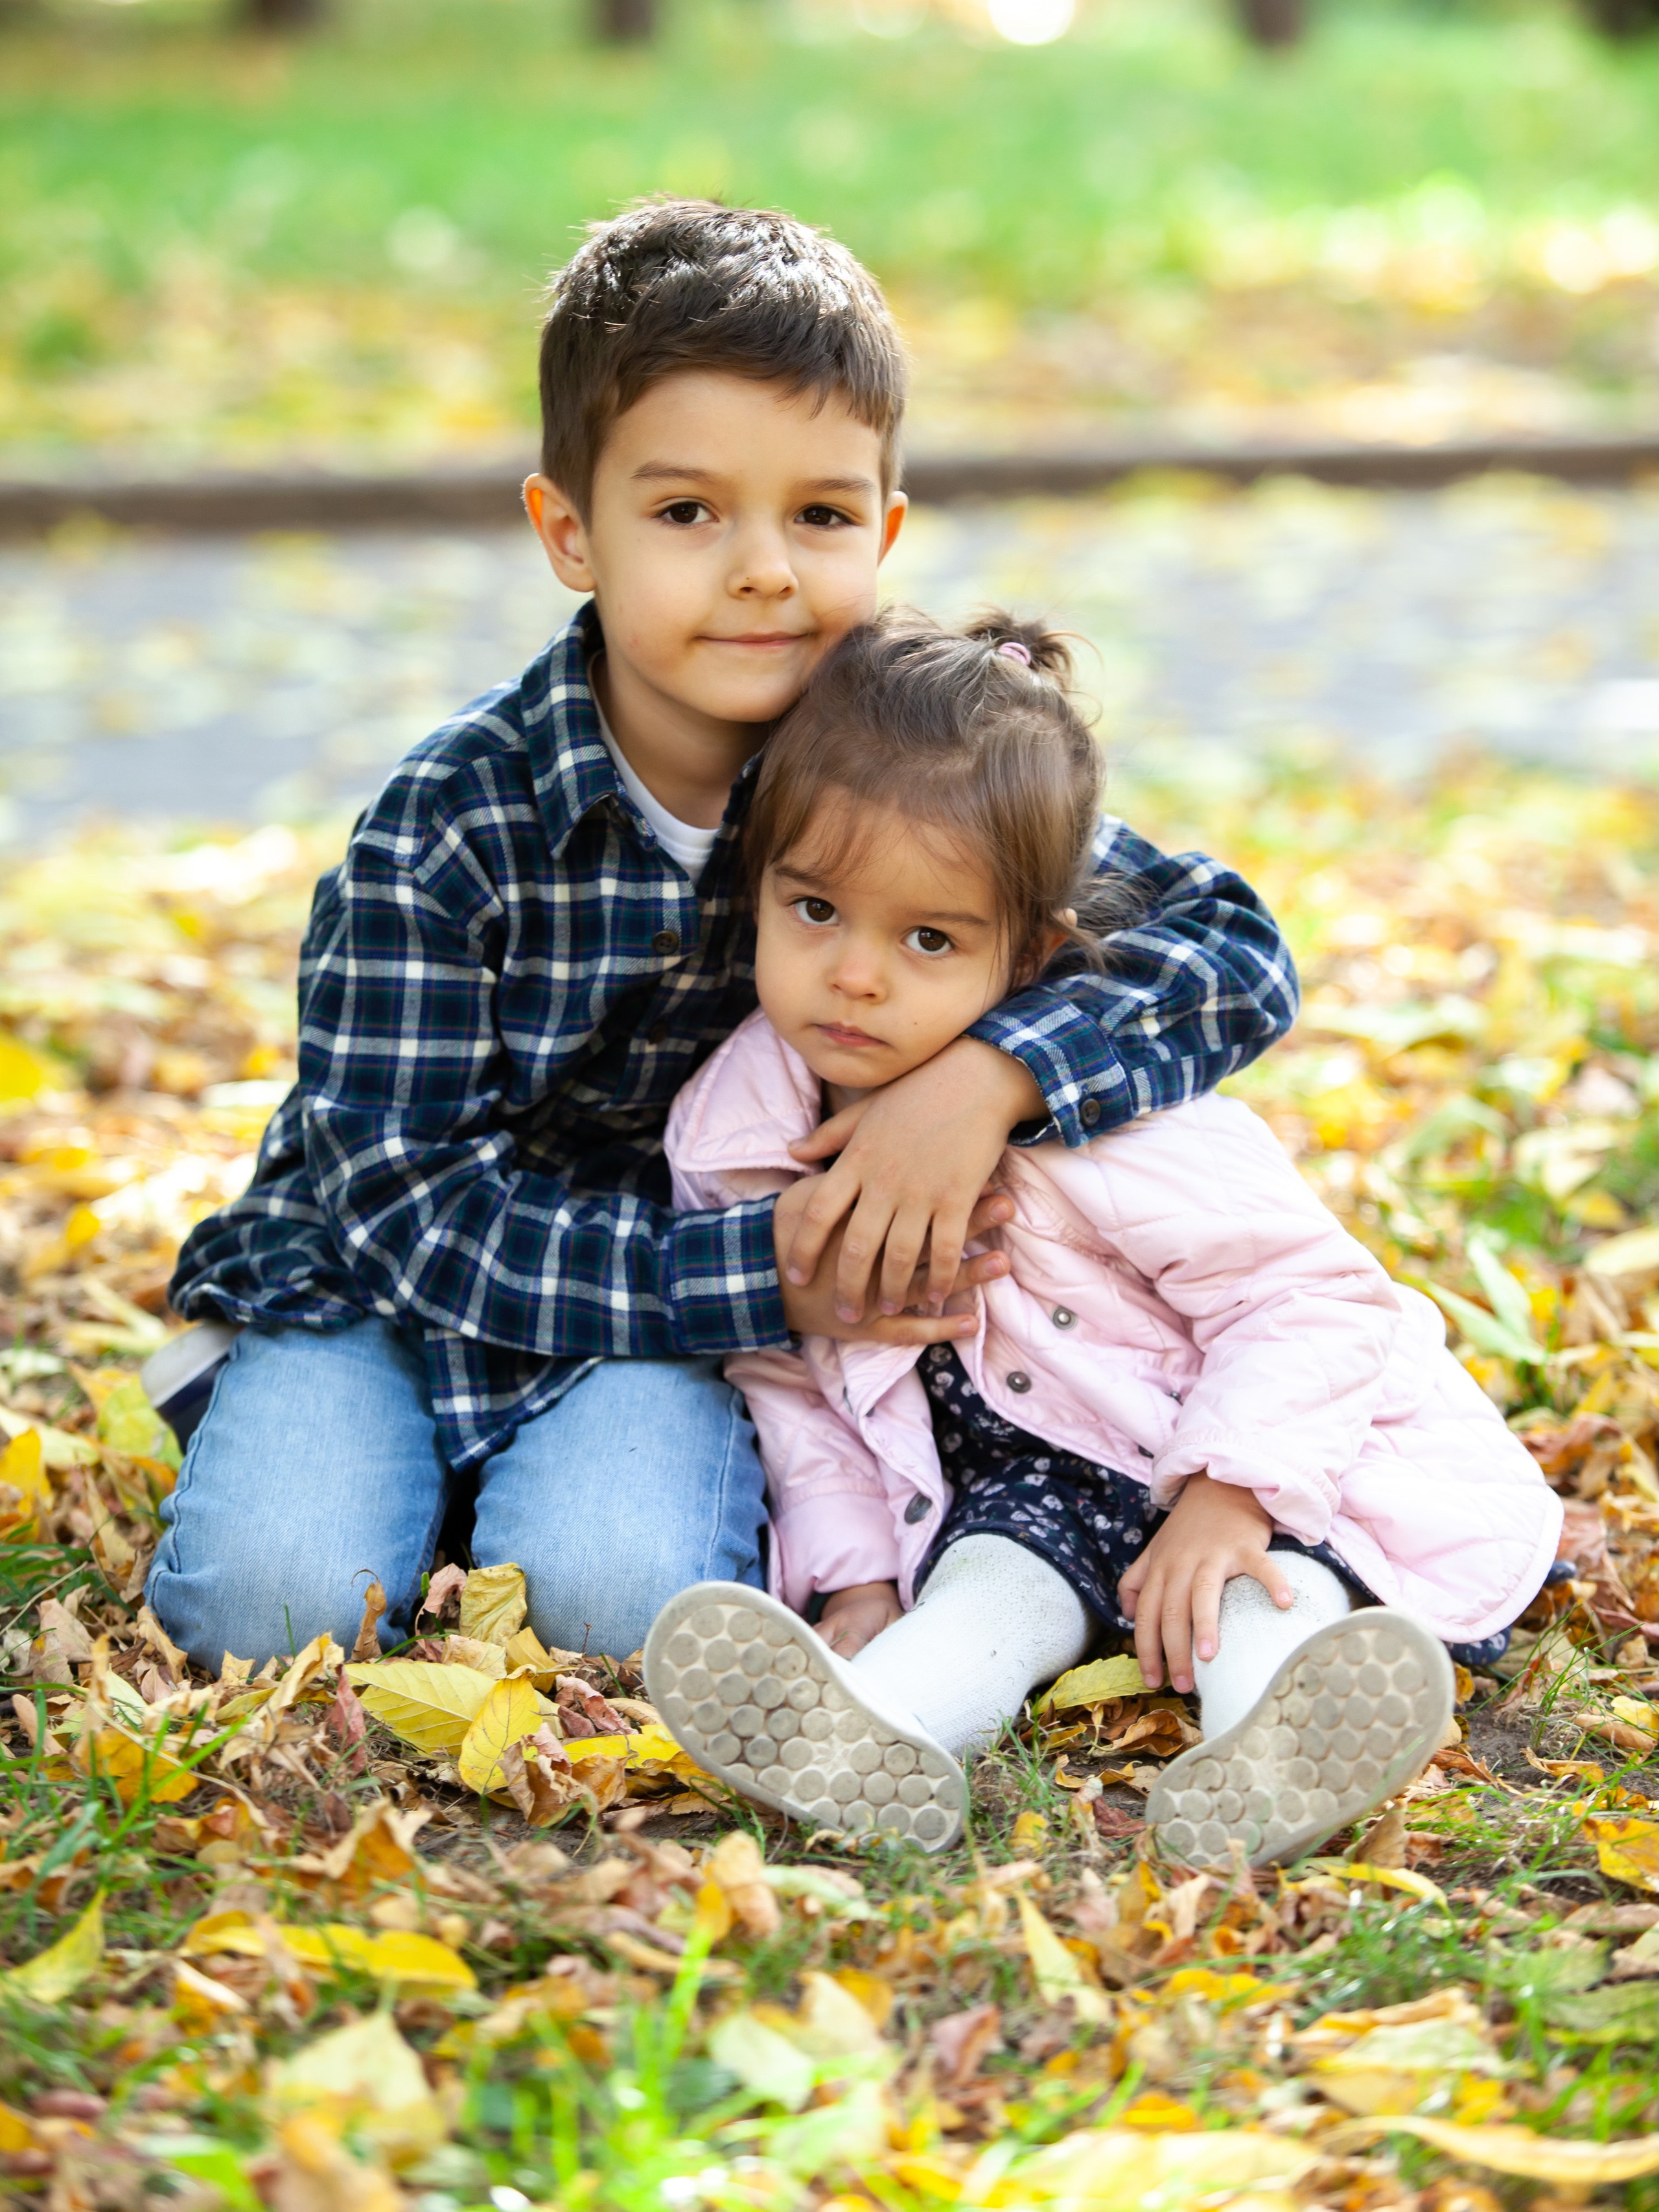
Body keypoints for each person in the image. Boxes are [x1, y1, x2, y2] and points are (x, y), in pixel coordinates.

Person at [146, 202, 1300, 1675]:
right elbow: (401, 1206)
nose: (761, 570)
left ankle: (485, 1495)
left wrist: (988, 1078)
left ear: (881, 534)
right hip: (395, 1287)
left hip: (669, 1330)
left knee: (618, 1612)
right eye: (687, 513)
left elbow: (1227, 941)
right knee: (271, 1614)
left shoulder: (896, 774)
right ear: (572, 531)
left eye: (817, 517)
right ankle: (285, 1421)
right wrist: (763, 1276)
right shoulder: (446, 827)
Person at [644, 611, 1561, 1867]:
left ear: (1027, 953)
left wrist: (1227, 1496)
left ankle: (1276, 1743)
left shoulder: (1115, 1121)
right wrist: (855, 1576)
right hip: (1038, 1485)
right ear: (755, 885)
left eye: (926, 940)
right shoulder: (739, 1134)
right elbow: (792, 1384)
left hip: (1233, 1441)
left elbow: (1309, 1302)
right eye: (812, 910)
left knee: (1255, 1598)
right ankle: (877, 1728)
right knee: (989, 1585)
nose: (852, 976)